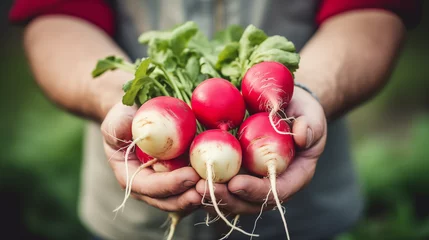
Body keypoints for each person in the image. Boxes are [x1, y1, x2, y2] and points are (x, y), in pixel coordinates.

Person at [9, 0, 421, 239]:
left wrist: (307, 93)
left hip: (302, 219)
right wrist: (118, 98)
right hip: (132, 221)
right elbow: (54, 13)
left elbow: (375, 10)